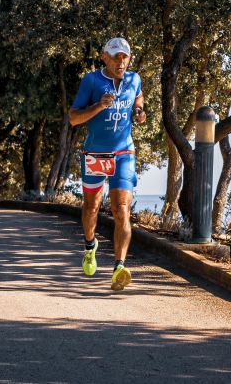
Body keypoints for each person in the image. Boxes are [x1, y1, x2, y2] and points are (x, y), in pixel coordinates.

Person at [68, 37, 146, 291]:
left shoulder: (134, 79)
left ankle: (119, 267)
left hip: (124, 153)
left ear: (129, 59)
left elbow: (139, 96)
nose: (120, 61)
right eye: (115, 56)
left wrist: (139, 111)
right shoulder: (91, 81)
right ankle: (90, 246)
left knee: (121, 208)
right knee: (91, 208)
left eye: (124, 56)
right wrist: (99, 106)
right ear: (104, 57)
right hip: (96, 155)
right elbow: (74, 118)